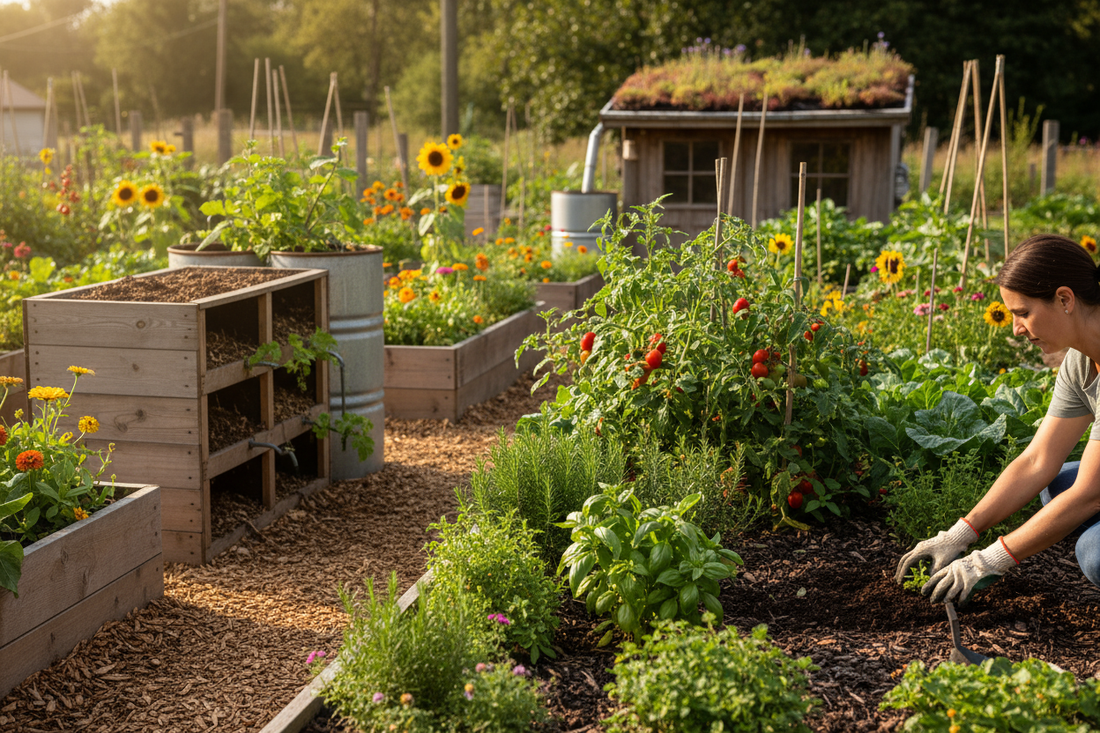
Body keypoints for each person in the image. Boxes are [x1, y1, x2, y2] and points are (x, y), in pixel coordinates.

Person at [895, 234, 1100, 603]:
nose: (1016, 328)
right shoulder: (1081, 361)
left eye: (1023, 313)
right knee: (1057, 485)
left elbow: (1089, 495)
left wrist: (988, 561)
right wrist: (961, 533)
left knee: (1094, 552)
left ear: (1065, 299)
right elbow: (1038, 460)